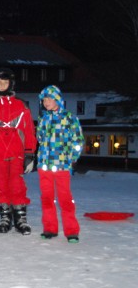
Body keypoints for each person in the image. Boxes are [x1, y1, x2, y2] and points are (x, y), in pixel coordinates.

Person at [0, 68, 37, 235]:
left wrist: (30, 154)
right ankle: (5, 217)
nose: (2, 85)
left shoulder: (21, 106)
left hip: (17, 154)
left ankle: (20, 218)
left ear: (11, 83)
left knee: (17, 185)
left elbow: (29, 131)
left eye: (5, 82)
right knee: (0, 185)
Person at [36, 85, 84, 243]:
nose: (46, 102)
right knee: (47, 198)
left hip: (62, 165)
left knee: (65, 198)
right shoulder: (43, 118)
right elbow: (40, 138)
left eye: (49, 99)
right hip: (45, 165)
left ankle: (71, 230)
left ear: (57, 99)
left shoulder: (69, 117)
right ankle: (50, 228)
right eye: (44, 100)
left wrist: (72, 158)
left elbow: (78, 140)